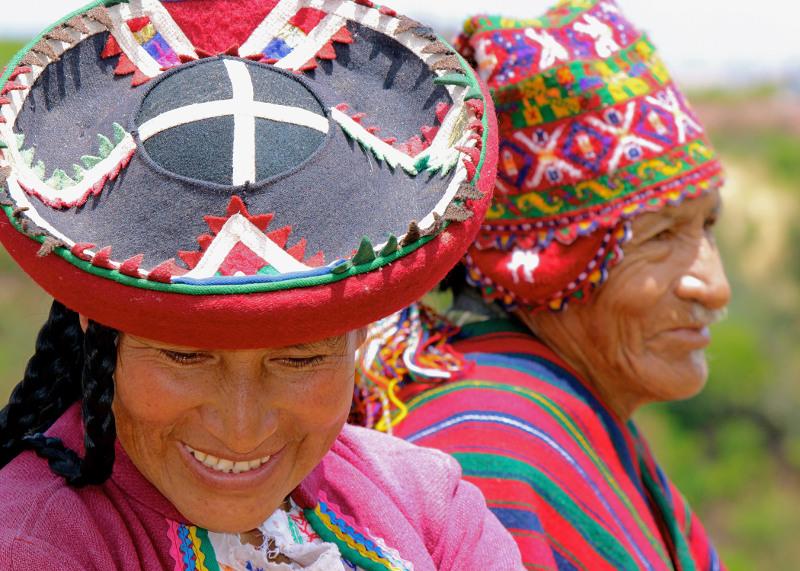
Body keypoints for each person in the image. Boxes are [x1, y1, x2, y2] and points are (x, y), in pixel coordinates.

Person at [0, 1, 523, 569]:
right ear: (94, 324)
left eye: (299, 359)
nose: (242, 430)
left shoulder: (430, 510)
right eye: (185, 356)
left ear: (363, 334)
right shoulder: (33, 546)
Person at [355, 1, 729, 569]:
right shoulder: (487, 450)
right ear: (547, 263)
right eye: (660, 236)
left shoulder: (574, 418)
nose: (715, 287)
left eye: (708, 225)